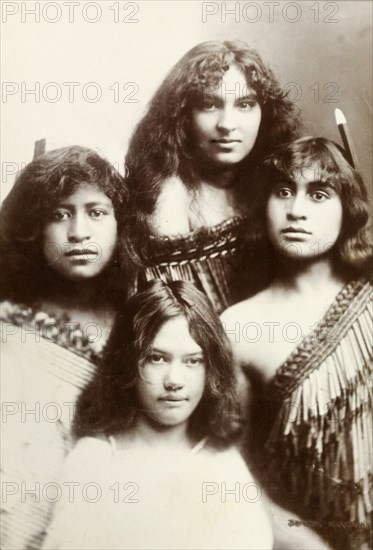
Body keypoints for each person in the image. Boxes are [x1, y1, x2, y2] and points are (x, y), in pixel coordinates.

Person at [221, 137, 372, 549]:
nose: (296, 210)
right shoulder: (239, 327)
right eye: (283, 191)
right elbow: (228, 471)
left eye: (319, 194)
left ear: (349, 209)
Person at [0, 145, 134, 549]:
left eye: (96, 212)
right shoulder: (10, 330)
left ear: (119, 223)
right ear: (34, 231)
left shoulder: (142, 326)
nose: (79, 233)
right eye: (60, 214)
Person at [125, 40, 300, 312]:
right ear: (181, 116)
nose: (227, 124)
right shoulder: (171, 196)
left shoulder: (276, 179)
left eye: (245, 104)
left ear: (264, 112)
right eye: (209, 104)